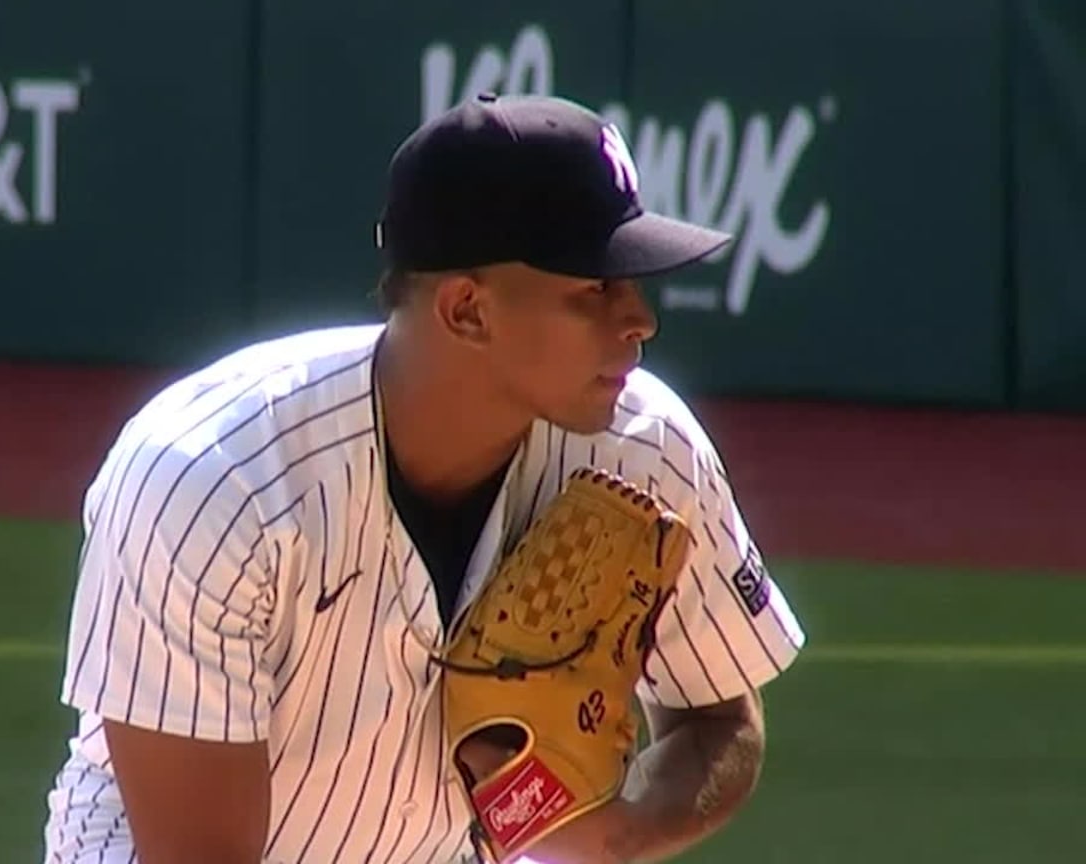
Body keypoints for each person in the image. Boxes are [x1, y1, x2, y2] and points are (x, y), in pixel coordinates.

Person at [40, 92, 806, 864]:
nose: (641, 319)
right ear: (467, 310)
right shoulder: (212, 481)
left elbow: (719, 718)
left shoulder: (647, 452)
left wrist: (614, 831)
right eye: (595, 289)